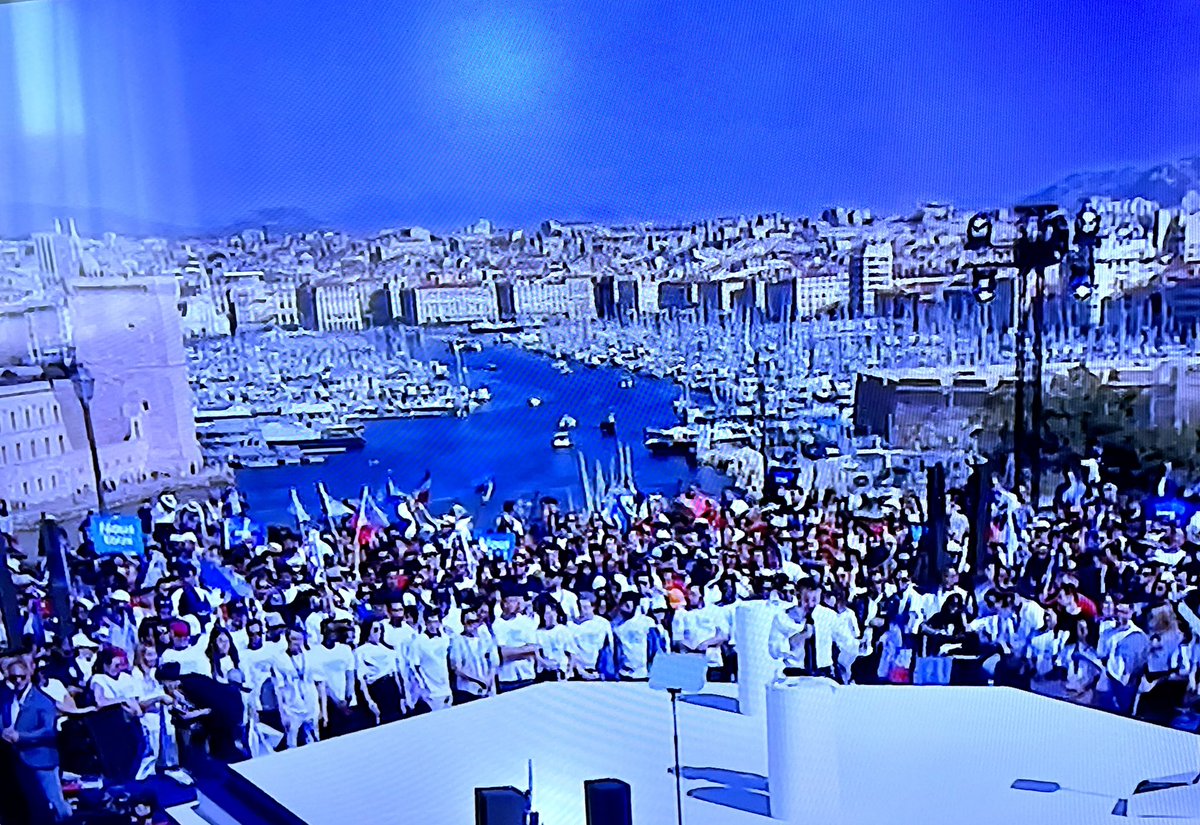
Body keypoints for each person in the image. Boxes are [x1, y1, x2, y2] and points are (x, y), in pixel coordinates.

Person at [1, 658, 73, 821]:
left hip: (42, 760)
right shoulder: (8, 699)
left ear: (28, 675)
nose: (18, 681)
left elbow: (49, 731)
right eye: (13, 678)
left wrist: (21, 737)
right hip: (19, 760)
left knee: (55, 803)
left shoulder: (43, 700)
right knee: (34, 805)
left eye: (21, 677)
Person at [274, 627, 320, 748]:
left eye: (299, 639)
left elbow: (319, 682)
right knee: (292, 743)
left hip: (311, 705)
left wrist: (322, 710)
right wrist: (283, 714)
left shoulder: (311, 656)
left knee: (314, 738)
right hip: (292, 708)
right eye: (293, 639)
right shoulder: (280, 659)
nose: (296, 642)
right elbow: (279, 688)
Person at [491, 586, 539, 692]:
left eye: (516, 601)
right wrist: (524, 650)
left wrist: (513, 651)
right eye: (510, 601)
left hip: (527, 676)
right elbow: (502, 654)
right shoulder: (497, 625)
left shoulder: (526, 622)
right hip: (507, 679)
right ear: (503, 603)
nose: (514, 604)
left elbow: (534, 649)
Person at [449, 608, 497, 704]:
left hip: (487, 687)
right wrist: (478, 680)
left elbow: (493, 663)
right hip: (467, 690)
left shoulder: (484, 639)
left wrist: (490, 683)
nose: (472, 625)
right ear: (464, 623)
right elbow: (456, 668)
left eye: (475, 621)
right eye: (469, 622)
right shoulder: (457, 641)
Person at [411, 610, 453, 711]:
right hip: (431, 692)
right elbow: (414, 666)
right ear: (425, 623)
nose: (432, 625)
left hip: (446, 690)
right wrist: (423, 689)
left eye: (435, 622)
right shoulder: (419, 641)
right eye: (429, 622)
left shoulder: (445, 639)